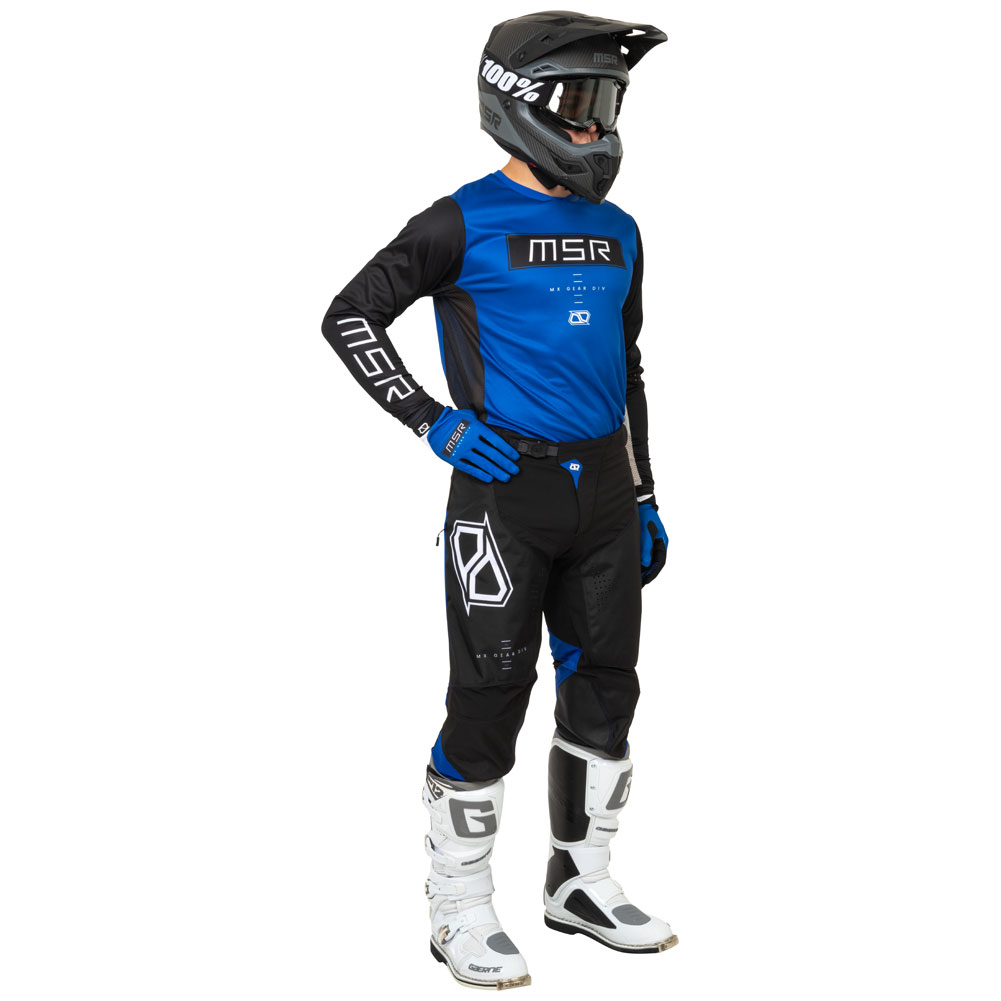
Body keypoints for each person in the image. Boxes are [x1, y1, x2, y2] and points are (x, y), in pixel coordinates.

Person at [321, 11, 674, 990]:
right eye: (579, 102)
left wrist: (644, 491)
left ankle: (579, 881)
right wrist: (430, 421)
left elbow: (627, 367)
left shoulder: (619, 230)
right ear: (517, 103)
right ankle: (459, 905)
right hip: (502, 495)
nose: (596, 126)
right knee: (488, 695)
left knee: (606, 685)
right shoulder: (458, 220)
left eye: (608, 104)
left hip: (604, 495)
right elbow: (349, 315)